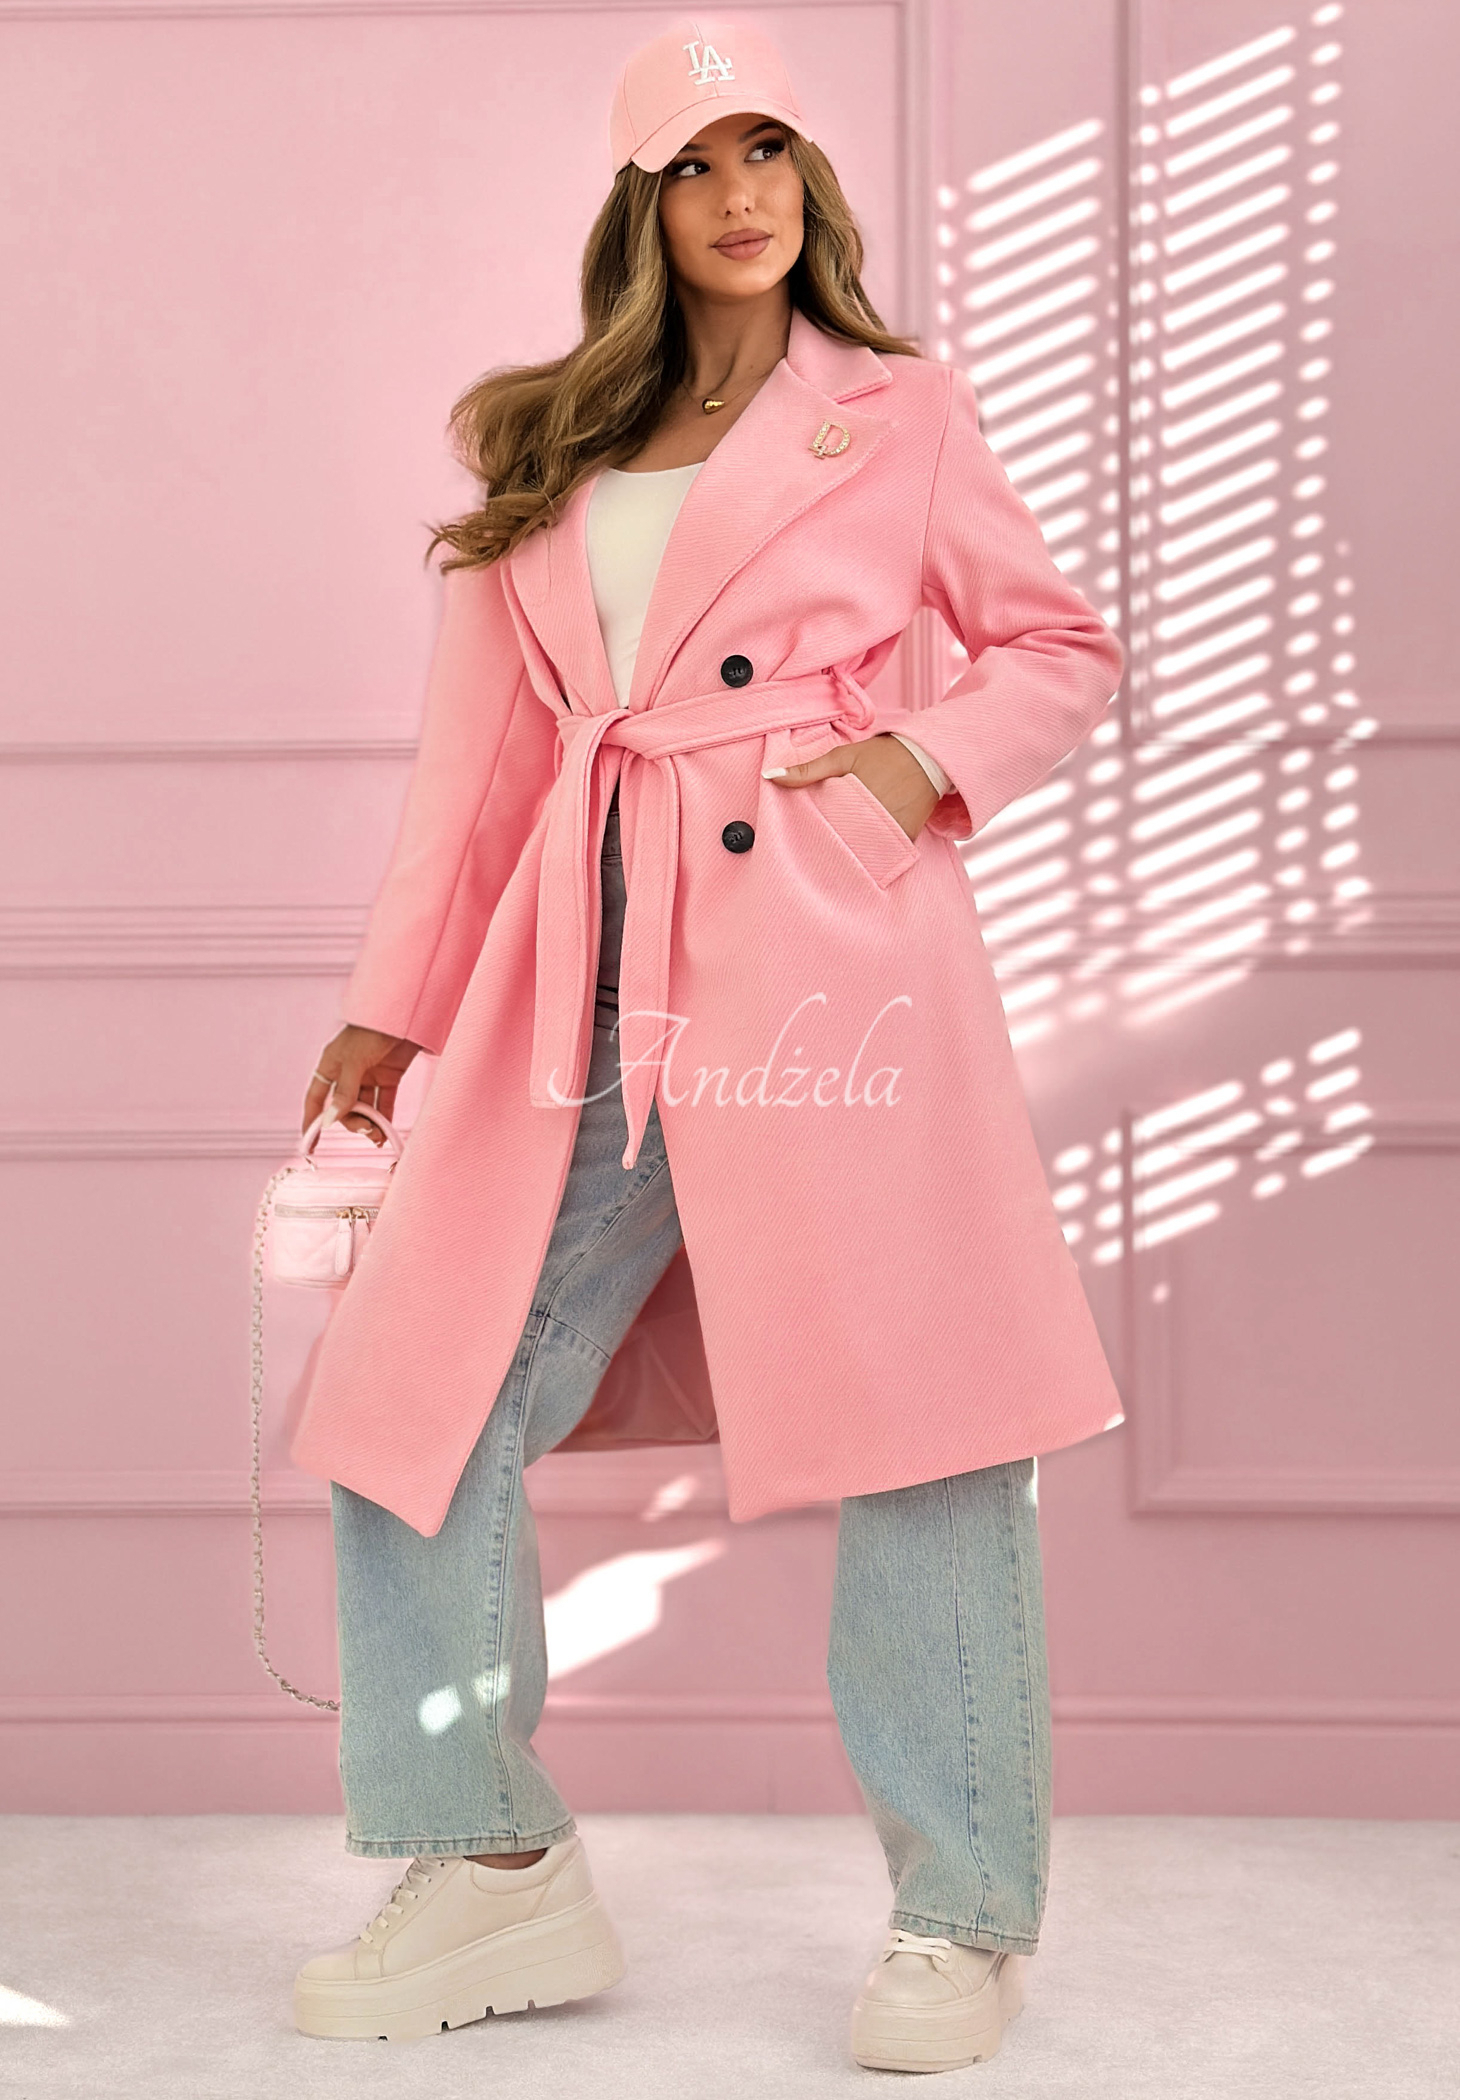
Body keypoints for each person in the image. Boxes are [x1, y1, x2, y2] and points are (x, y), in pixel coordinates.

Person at [288, 13, 1125, 2075]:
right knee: (414, 1385)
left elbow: (1056, 645)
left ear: (808, 187)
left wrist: (902, 768)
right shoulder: (550, 446)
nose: (741, 196)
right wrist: (395, 1001)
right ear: (639, 204)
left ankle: (962, 1914)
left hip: (824, 961)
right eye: (695, 165)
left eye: (769, 156)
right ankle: (488, 1855)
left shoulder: (899, 412)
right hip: (581, 977)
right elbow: (482, 764)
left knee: (919, 1417)